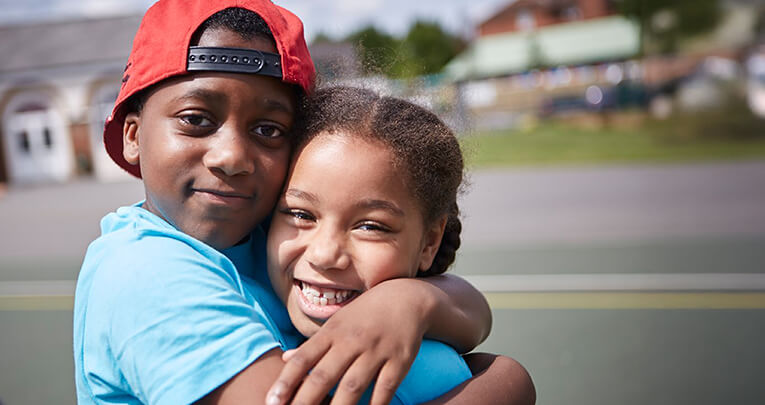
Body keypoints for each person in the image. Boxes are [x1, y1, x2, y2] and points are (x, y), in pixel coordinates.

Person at [73, 1, 493, 405]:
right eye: (196, 119)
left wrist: (411, 302)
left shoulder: (267, 239)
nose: (232, 157)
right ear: (132, 135)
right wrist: (508, 382)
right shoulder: (146, 274)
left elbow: (471, 310)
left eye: (268, 129)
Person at [266, 86, 536, 405]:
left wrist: (412, 300)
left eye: (370, 226)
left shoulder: (429, 372)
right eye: (300, 214)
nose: (325, 255)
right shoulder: (231, 288)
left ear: (429, 243)